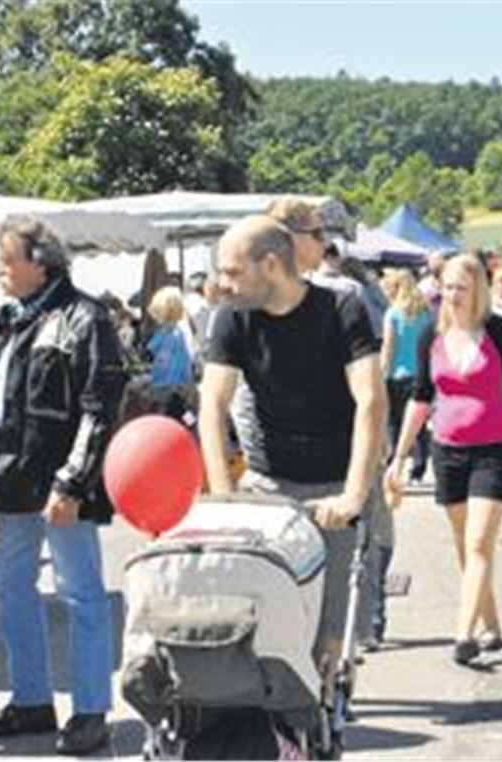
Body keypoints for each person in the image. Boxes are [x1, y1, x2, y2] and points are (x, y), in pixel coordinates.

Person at [199, 215, 387, 674]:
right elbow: (212, 408)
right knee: (265, 615)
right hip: (269, 479)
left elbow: (371, 401)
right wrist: (225, 499)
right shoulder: (232, 317)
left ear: (271, 265)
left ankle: (326, 707)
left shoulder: (341, 310)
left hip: (337, 480)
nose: (223, 283)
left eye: (232, 271)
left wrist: (355, 495)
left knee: (331, 631)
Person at [0, 218, 124, 756]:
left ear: (41, 261)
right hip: (14, 477)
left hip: (60, 481)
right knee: (12, 591)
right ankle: (31, 700)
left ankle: (90, 711)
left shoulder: (86, 317)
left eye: (7, 259)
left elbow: (99, 407)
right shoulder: (16, 319)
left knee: (81, 595)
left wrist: (73, 481)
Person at [384, 255, 502, 665]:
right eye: (447, 286)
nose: (452, 295)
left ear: (479, 291)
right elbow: (420, 400)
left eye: (461, 288)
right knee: (464, 545)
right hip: (447, 449)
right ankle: (490, 622)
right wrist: (399, 458)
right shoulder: (430, 336)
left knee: (477, 542)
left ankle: (463, 634)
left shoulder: (499, 331)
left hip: (495, 449)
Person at [380, 268, 433, 484]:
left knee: (395, 422)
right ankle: (418, 470)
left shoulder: (393, 314)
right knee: (419, 423)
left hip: (398, 374)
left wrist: (382, 372)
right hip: (421, 373)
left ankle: (395, 463)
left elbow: (388, 347)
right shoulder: (426, 313)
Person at [145, 286, 194, 389]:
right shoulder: (180, 330)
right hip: (179, 383)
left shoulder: (166, 332)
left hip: (163, 382)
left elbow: (151, 349)